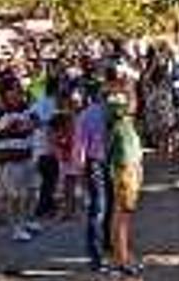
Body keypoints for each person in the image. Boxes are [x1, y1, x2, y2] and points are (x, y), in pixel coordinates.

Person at [0, 85, 41, 241]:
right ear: (5, 96)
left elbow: (36, 124)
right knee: (15, 196)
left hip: (27, 155)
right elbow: (2, 131)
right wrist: (21, 127)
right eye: (11, 94)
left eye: (18, 94)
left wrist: (23, 126)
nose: (15, 97)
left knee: (30, 192)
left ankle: (27, 220)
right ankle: (17, 228)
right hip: (10, 159)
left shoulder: (27, 109)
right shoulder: (1, 112)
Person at [107, 92, 144, 276]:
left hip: (129, 173)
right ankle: (121, 260)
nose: (134, 102)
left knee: (121, 217)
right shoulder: (119, 127)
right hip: (124, 174)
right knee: (123, 218)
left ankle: (122, 256)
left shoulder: (125, 124)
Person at [75, 82, 109, 272]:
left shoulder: (85, 115)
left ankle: (96, 255)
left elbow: (80, 149)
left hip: (93, 163)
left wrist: (80, 175)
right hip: (107, 162)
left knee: (97, 208)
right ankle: (104, 249)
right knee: (104, 208)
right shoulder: (112, 114)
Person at [32, 77, 59, 219]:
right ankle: (41, 208)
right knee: (50, 179)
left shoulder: (38, 102)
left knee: (47, 179)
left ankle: (49, 206)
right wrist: (47, 125)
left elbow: (31, 117)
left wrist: (40, 124)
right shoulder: (54, 104)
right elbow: (56, 124)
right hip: (50, 146)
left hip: (37, 144)